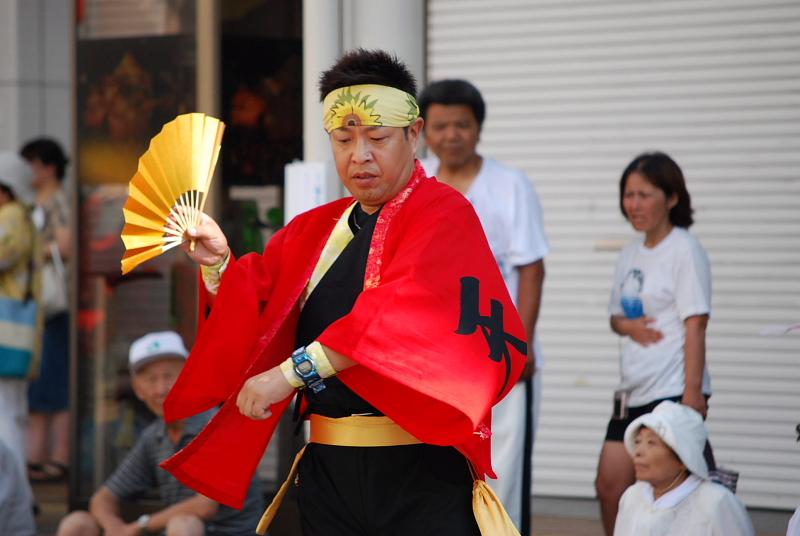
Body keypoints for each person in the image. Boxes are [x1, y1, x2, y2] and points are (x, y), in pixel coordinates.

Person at [160, 49, 528, 536]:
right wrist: (220, 266)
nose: (360, 156)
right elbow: (265, 315)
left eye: (377, 138)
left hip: (419, 471)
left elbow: (396, 313)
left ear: (413, 135)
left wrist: (289, 374)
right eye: (343, 139)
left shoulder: (443, 213)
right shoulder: (313, 229)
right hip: (328, 468)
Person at [417, 79, 548, 534]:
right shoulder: (418, 184)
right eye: (440, 126)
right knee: (437, 470)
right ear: (423, 130)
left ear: (478, 129)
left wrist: (523, 345)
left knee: (502, 475)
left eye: (462, 125)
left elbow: (531, 268)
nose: (451, 135)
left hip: (499, 353)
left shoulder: (511, 185)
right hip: (434, 358)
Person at [596, 152, 714, 535]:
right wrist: (629, 327)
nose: (634, 204)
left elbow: (696, 325)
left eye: (644, 194)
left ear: (672, 198)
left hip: (671, 389)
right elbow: (615, 317)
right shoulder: (631, 253)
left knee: (681, 486)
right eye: (628, 195)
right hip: (632, 391)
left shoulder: (684, 249)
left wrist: (692, 395)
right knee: (611, 485)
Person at [56, 331, 262, 536]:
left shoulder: (217, 426)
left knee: (183, 525)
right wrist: (114, 527)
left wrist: (138, 527)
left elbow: (205, 507)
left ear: (188, 376)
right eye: (151, 380)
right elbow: (102, 499)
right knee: (77, 523)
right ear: (138, 389)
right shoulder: (155, 435)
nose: (161, 389)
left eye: (169, 376)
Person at [614, 401, 754, 535]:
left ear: (683, 459)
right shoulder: (632, 497)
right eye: (638, 441)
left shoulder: (716, 503)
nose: (638, 452)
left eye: (651, 443)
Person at [20, 138, 72, 482]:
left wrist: (31, 252)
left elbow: (66, 244)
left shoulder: (57, 201)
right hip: (36, 307)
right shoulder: (34, 201)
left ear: (47, 166)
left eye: (33, 164)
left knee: (54, 383)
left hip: (53, 307)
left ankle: (58, 457)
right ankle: (36, 457)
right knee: (38, 385)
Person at [0, 152, 40, 535]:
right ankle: (19, 495)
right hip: (13, 331)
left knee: (7, 417)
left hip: (5, 332)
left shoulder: (11, 216)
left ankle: (17, 495)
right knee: (11, 413)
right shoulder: (22, 215)